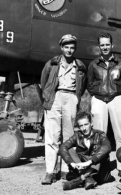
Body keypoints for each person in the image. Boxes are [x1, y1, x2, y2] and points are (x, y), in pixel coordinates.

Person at [40, 34, 87, 184]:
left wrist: (76, 99)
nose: (69, 50)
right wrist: (47, 97)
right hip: (55, 97)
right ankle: (50, 172)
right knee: (52, 137)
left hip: (71, 97)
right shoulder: (52, 63)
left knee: (68, 137)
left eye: (72, 47)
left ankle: (67, 170)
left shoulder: (80, 65)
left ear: (75, 49)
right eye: (66, 47)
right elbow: (44, 80)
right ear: (61, 47)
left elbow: (83, 85)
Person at [87, 32, 121, 176]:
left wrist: (116, 92)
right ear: (99, 46)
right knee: (99, 136)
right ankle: (101, 167)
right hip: (99, 100)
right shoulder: (93, 64)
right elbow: (89, 84)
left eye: (107, 44)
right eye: (102, 45)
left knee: (120, 135)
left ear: (112, 45)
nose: (105, 47)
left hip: (116, 99)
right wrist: (99, 93)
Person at [59, 111, 112, 191]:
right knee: (69, 149)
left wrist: (90, 161)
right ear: (79, 127)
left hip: (100, 173)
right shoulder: (77, 135)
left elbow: (107, 147)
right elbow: (63, 147)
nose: (84, 128)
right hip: (82, 167)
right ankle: (88, 178)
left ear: (91, 123)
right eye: (81, 126)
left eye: (86, 124)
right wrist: (71, 162)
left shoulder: (100, 134)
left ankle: (81, 178)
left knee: (101, 151)